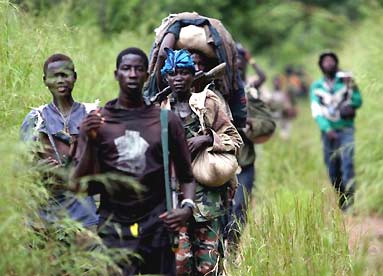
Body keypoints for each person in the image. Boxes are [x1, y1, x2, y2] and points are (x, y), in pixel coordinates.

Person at [73, 47, 196, 275]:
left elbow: (187, 176)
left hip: (158, 227)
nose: (132, 74)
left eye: (138, 69)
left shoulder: (165, 121)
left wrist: (187, 208)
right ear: (116, 74)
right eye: (126, 69)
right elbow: (79, 184)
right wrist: (89, 141)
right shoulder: (98, 121)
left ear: (146, 76)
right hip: (114, 230)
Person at [161, 48, 242, 276]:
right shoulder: (159, 109)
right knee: (179, 264)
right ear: (166, 77)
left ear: (193, 74)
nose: (179, 78)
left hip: (208, 199)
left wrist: (207, 139)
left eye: (185, 73)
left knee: (209, 266)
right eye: (174, 73)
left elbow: (235, 139)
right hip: (174, 199)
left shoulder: (207, 104)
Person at [20, 53, 98, 229]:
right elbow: (21, 167)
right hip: (45, 216)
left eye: (65, 75)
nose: (60, 80)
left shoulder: (90, 114)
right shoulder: (36, 118)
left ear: (75, 77)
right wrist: (39, 169)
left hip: (85, 214)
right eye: (55, 76)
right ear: (45, 80)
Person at [227, 44, 273, 246]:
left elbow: (268, 123)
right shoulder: (216, 90)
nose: (238, 63)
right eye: (234, 59)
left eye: (241, 59)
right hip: (219, 161)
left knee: (240, 208)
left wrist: (249, 125)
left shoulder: (250, 91)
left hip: (244, 161)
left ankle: (233, 249)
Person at [309, 51, 362, 210]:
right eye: (325, 61)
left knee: (348, 164)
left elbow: (358, 100)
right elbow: (316, 110)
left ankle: (350, 204)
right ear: (321, 66)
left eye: (332, 61)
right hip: (328, 133)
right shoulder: (317, 87)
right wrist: (326, 128)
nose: (329, 64)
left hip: (346, 129)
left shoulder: (347, 82)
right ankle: (341, 197)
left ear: (336, 63)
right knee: (332, 168)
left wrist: (351, 100)